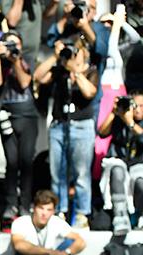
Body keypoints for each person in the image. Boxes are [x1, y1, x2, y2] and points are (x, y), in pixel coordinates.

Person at [34, 37, 99, 227]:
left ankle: (81, 214)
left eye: (75, 52)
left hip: (81, 126)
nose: (72, 56)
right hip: (59, 125)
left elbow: (90, 92)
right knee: (57, 173)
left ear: (83, 53)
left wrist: (75, 71)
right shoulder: (59, 70)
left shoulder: (91, 70)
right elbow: (38, 76)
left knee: (81, 173)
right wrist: (55, 57)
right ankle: (59, 212)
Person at [0, 30, 37, 222]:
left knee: (26, 162)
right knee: (11, 162)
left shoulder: (27, 59)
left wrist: (16, 59)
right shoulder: (0, 62)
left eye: (15, 44)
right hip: (7, 116)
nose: (12, 48)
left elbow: (25, 82)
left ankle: (25, 204)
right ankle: (10, 204)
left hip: (28, 117)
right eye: (8, 44)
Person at [8, 189, 94, 255]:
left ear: (53, 211)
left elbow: (80, 242)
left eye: (49, 210)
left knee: (69, 243)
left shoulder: (56, 221)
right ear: (34, 208)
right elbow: (19, 245)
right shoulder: (21, 222)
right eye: (41, 208)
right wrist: (49, 252)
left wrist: (66, 253)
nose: (44, 213)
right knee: (30, 251)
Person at [98, 92, 143, 235]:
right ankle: (120, 216)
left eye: (142, 106)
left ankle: (139, 215)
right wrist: (114, 112)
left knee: (140, 181)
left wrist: (130, 123)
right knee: (117, 171)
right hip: (120, 161)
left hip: (139, 164)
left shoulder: (131, 121)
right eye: (135, 105)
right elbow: (102, 133)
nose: (137, 109)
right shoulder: (120, 117)